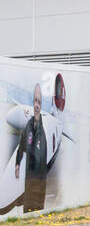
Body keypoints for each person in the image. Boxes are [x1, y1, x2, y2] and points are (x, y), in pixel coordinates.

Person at [19, 83, 48, 212]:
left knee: (37, 207)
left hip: (39, 178)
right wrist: (17, 164)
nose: (36, 105)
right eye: (35, 101)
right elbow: (22, 145)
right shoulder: (29, 125)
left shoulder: (43, 129)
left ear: (41, 105)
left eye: (39, 102)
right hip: (29, 176)